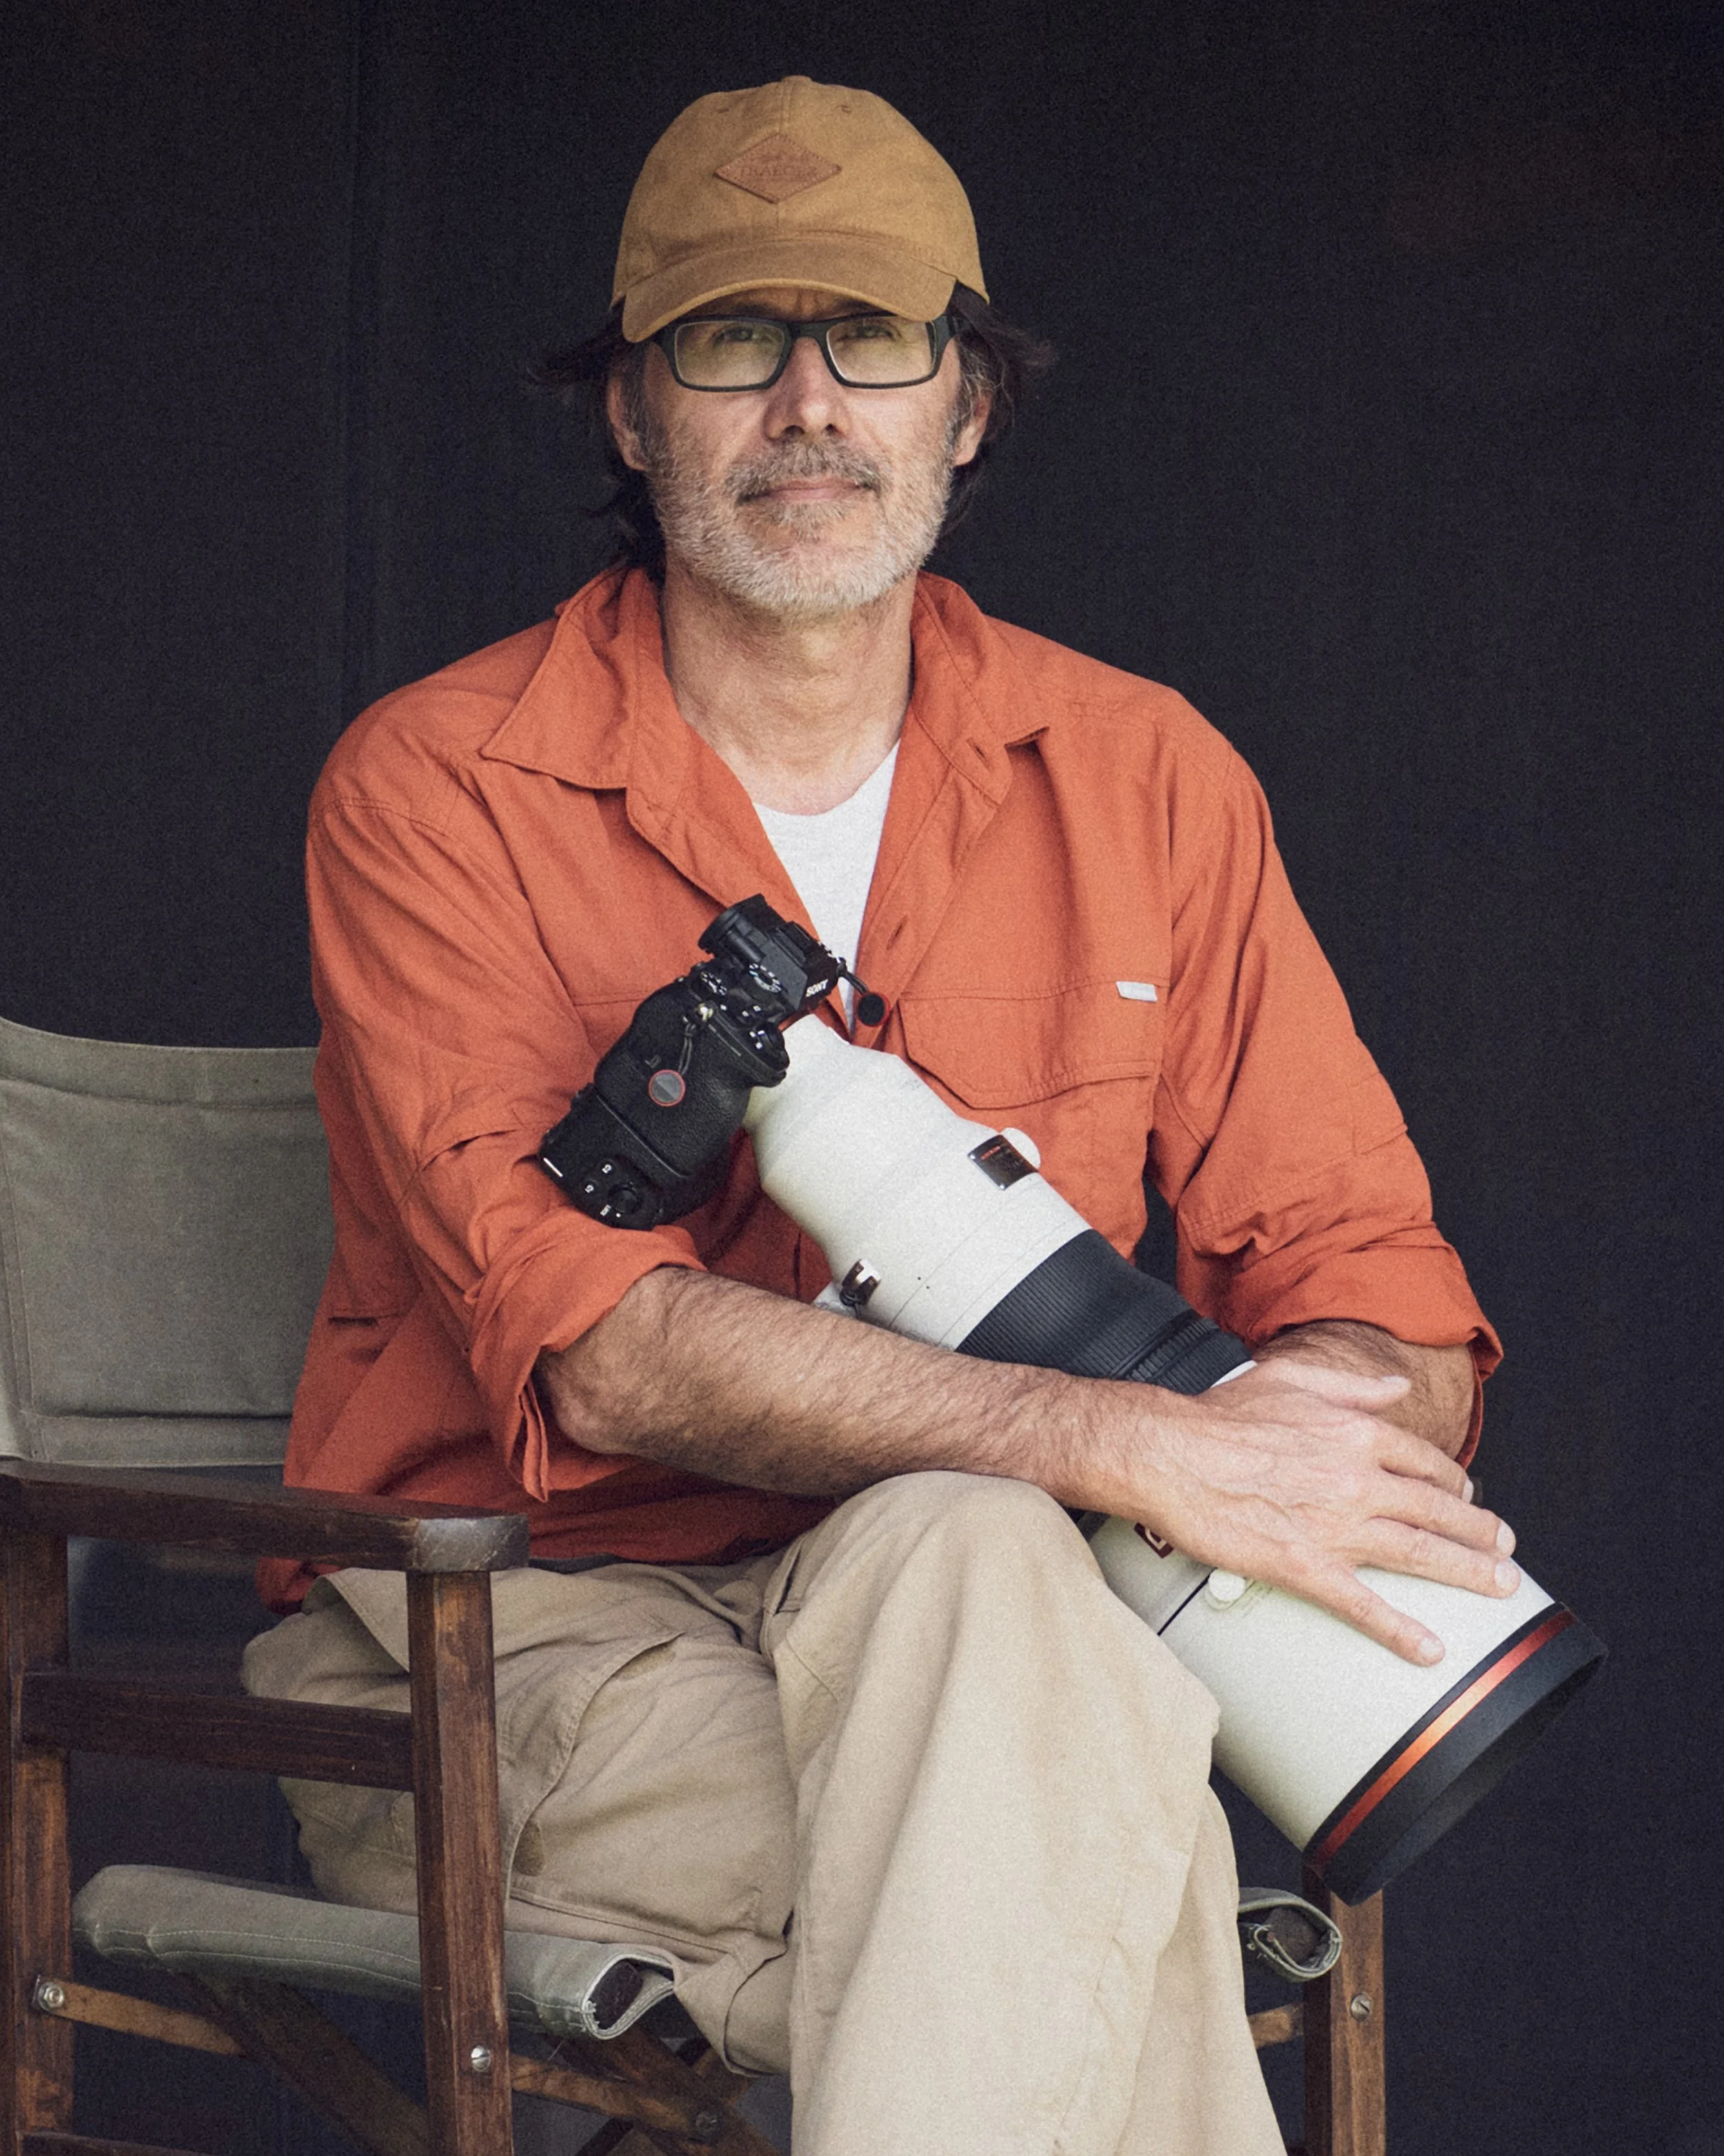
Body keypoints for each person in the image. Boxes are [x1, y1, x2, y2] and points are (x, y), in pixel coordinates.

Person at [245, 75, 1512, 2155]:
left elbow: (1373, 1280)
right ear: (631, 412)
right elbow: (606, 1339)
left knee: (982, 1568)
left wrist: (1324, 1421)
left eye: (874, 339)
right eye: (731, 341)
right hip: (515, 1644)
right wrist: (1135, 1440)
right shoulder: (437, 788)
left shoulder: (1145, 777)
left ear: (968, 402)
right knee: (1103, 1835)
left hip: (967, 1617)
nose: (807, 405)